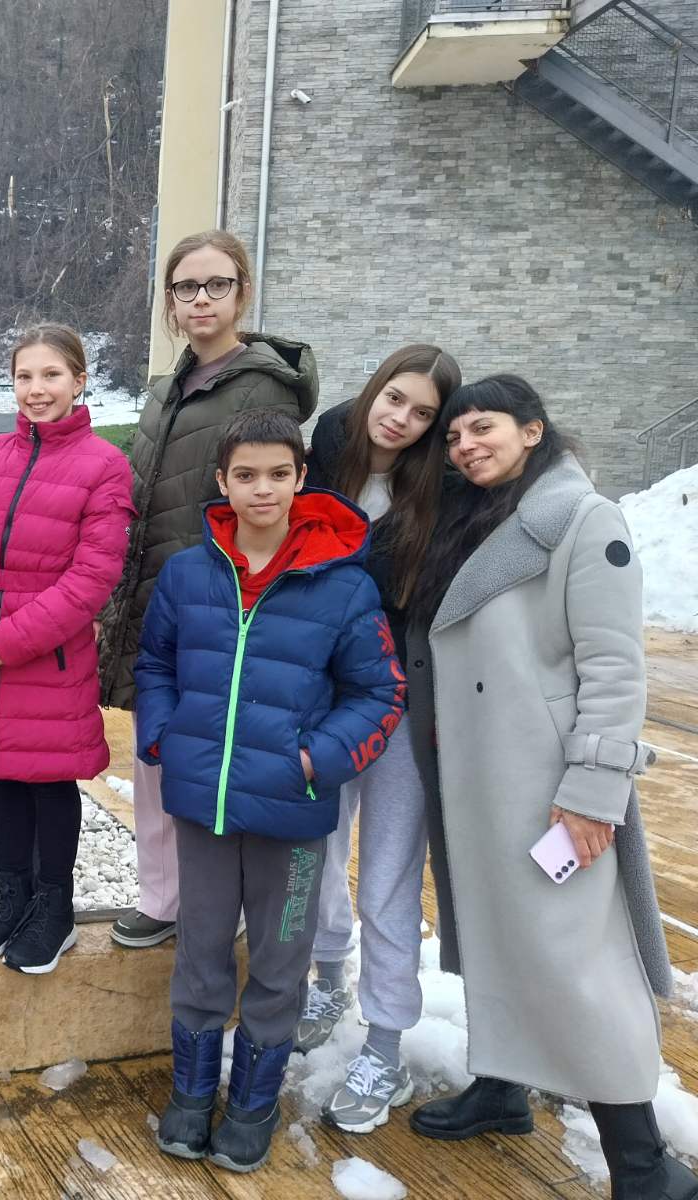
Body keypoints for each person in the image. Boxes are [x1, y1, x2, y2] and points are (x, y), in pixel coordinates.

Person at [404, 376, 694, 1199]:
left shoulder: (582, 519)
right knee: (499, 938)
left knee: (580, 965)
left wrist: (594, 793)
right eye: (455, 436)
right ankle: (503, 1085)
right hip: (480, 776)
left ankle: (643, 1162)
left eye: (484, 428)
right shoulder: (475, 517)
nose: (466, 446)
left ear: (533, 430)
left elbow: (615, 668)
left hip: (551, 784)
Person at [139, 409, 403, 1173]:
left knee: (281, 963)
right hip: (206, 807)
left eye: (279, 474)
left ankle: (253, 1103)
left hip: (291, 815)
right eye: (247, 475)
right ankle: (193, 1095)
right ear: (222, 482)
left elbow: (379, 692)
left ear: (300, 478)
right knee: (201, 954)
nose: (263, 489)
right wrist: (164, 735)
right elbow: (155, 664)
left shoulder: (343, 586)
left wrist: (316, 760)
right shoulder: (188, 575)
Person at [97, 229, 318, 951]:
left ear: (241, 293)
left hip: (225, 602)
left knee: (221, 758)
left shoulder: (263, 386)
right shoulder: (167, 388)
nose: (200, 299)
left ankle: (227, 908)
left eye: (216, 284)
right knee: (155, 751)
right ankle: (163, 899)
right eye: (186, 286)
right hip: (155, 597)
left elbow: (269, 499)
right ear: (170, 299)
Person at [0, 324, 133, 975]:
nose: (36, 389)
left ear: (79, 381)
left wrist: (3, 644)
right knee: (6, 777)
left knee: (49, 782)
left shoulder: (104, 466)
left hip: (47, 661)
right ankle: (11, 898)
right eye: (25, 376)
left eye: (51, 375)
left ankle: (54, 909)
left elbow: (92, 578)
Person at [292, 345, 461, 1132]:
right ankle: (327, 978)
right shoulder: (327, 449)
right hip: (321, 694)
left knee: (389, 873)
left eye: (423, 412)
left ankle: (385, 1044)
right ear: (373, 391)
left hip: (399, 699)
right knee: (316, 849)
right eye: (395, 398)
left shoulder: (441, 489)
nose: (401, 418)